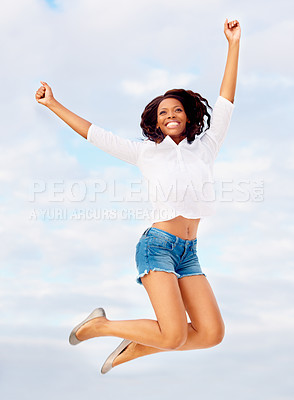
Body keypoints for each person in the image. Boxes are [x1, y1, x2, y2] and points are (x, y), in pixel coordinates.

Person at [35, 18, 241, 374]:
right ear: (156, 122)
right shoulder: (147, 152)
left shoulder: (206, 147)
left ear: (188, 115)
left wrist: (233, 44)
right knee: (174, 334)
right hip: (157, 245)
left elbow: (225, 102)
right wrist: (53, 104)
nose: (171, 114)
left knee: (211, 334)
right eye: (164, 112)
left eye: (177, 109)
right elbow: (95, 134)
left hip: (189, 252)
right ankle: (100, 327)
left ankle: (134, 347)